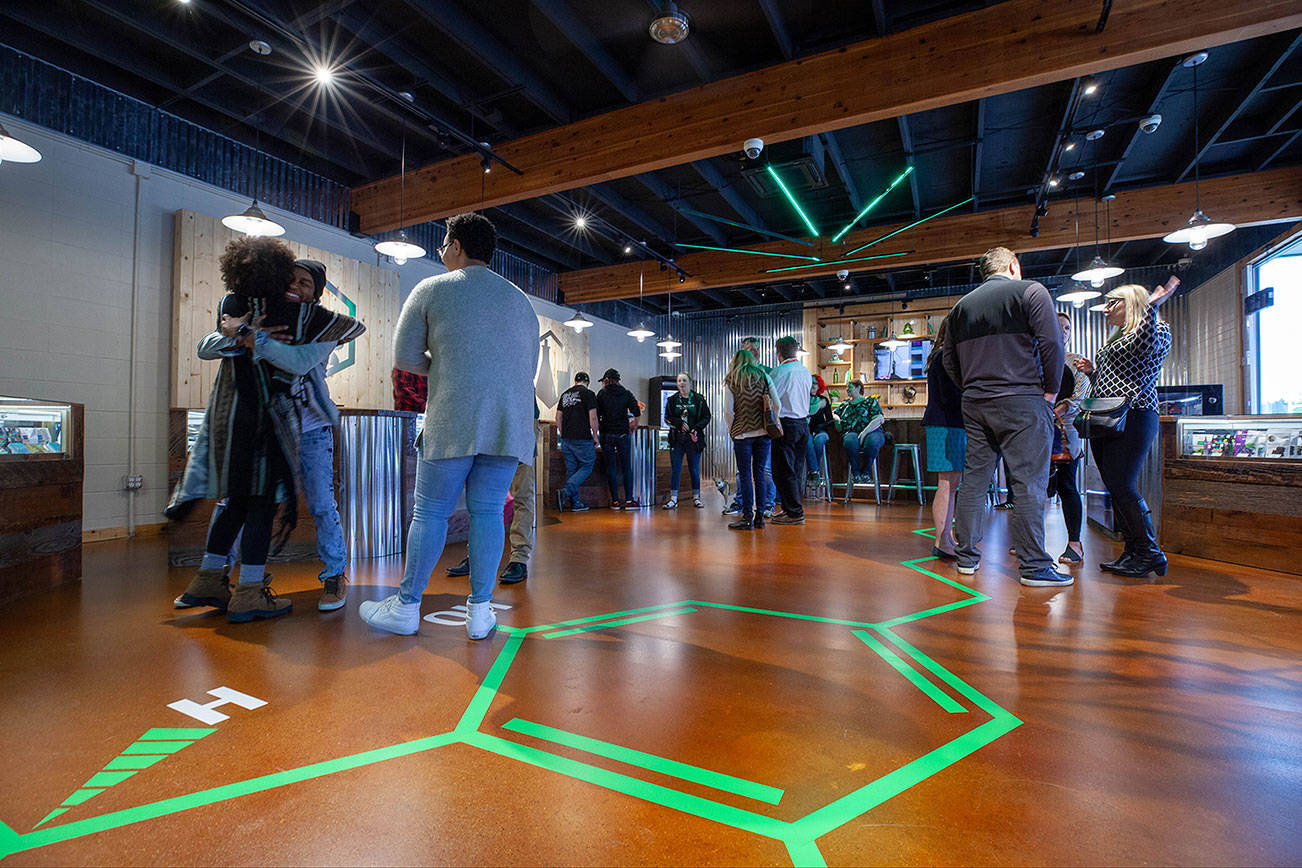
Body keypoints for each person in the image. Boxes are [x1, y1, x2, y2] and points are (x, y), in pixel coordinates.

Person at [360, 212, 538, 639]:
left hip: (452, 418)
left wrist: (448, 369)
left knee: (430, 513)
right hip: (507, 425)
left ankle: (406, 606)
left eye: (443, 244)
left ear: (456, 245)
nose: (441, 252)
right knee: (489, 513)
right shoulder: (521, 301)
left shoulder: (431, 290)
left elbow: (404, 359)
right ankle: (480, 611)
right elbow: (527, 368)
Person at [168, 238, 362, 621]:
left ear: (317, 292)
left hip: (309, 431)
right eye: (291, 279)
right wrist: (239, 333)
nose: (295, 286)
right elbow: (206, 346)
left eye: (305, 282)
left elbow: (299, 361)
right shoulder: (259, 314)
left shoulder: (318, 326)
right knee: (242, 499)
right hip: (270, 427)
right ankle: (222, 579)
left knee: (320, 505)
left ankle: (334, 575)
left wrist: (250, 337)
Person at [943, 246, 1070, 587]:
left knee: (974, 480)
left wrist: (970, 387)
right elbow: (1052, 345)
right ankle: (1034, 567)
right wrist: (1051, 390)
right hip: (1023, 400)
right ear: (1014, 265)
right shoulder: (1031, 291)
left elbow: (947, 360)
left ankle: (966, 559)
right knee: (1028, 482)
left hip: (975, 402)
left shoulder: (959, 308)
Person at [1073, 281, 1175, 578]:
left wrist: (1151, 305)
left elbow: (1144, 345)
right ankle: (1133, 550)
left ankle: (1149, 552)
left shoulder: (1155, 330)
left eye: (1112, 303)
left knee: (1122, 484)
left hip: (1134, 415)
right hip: (1108, 416)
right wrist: (1093, 372)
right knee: (1114, 485)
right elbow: (1114, 379)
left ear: (1131, 304)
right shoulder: (1118, 337)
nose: (1106, 309)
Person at [922, 316, 963, 560]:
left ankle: (946, 537)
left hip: (945, 424)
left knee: (950, 483)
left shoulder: (939, 355)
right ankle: (942, 539)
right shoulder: (945, 357)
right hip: (947, 424)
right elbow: (952, 396)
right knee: (947, 483)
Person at [1051, 312, 1091, 565]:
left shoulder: (1077, 362)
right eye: (1058, 327)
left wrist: (1058, 409)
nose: (1063, 331)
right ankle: (1027, 539)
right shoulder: (1034, 358)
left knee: (1066, 485)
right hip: (1036, 430)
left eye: (1067, 328)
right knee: (1031, 488)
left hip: (1067, 430)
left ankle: (1074, 543)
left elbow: (1080, 394)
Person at [723, 337, 777, 517]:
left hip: (742, 434)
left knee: (745, 475)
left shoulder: (731, 380)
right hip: (763, 432)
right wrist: (773, 422)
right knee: (760, 473)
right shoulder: (764, 375)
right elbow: (776, 404)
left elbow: (727, 411)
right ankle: (761, 514)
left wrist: (732, 430)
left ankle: (747, 516)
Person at [768, 335, 812, 525]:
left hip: (786, 425)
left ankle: (794, 513)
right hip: (803, 424)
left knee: (782, 471)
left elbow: (771, 400)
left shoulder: (779, 372)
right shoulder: (805, 371)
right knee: (796, 469)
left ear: (778, 353)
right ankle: (789, 509)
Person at [663, 372, 710, 509]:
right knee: (675, 469)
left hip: (693, 439)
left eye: (684, 380)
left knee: (694, 469)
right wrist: (678, 423)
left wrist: (697, 428)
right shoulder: (672, 400)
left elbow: (707, 417)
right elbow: (667, 417)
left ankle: (696, 497)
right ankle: (673, 499)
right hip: (677, 439)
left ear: (690, 382)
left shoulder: (699, 399)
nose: (682, 383)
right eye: (679, 381)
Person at [596, 368, 641, 508]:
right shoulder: (626, 393)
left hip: (606, 434)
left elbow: (596, 415)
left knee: (611, 468)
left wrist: (595, 433)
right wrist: (634, 426)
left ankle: (615, 501)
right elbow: (637, 411)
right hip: (622, 434)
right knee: (627, 467)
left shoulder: (601, 394)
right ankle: (629, 501)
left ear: (606, 380)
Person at [555, 371, 600, 511]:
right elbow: (593, 417)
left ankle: (575, 503)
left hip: (567, 439)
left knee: (571, 469)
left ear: (575, 381)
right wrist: (595, 435)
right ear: (588, 383)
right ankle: (565, 492)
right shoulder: (589, 394)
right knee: (587, 465)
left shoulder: (565, 395)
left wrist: (563, 434)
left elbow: (558, 417)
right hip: (582, 437)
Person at [835, 380, 885, 484]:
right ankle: (856, 473)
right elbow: (833, 413)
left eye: (850, 387)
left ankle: (865, 473)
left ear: (858, 388)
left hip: (872, 431)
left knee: (872, 442)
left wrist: (864, 432)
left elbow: (879, 418)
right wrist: (837, 419)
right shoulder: (845, 404)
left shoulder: (870, 401)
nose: (847, 389)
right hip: (852, 431)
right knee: (850, 441)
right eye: (847, 387)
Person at [806, 374, 833, 483]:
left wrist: (819, 428)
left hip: (821, 430)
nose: (813, 386)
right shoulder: (803, 398)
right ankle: (814, 472)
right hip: (806, 431)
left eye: (816, 384)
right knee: (807, 442)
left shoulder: (824, 400)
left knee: (819, 440)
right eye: (811, 383)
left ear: (819, 386)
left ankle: (813, 472)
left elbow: (830, 419)